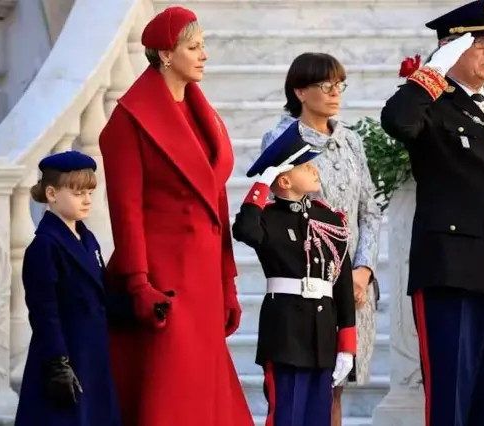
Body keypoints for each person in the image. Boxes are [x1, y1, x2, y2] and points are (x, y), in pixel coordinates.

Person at [380, 1, 484, 425]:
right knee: (451, 399)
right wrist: (433, 72)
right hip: (452, 274)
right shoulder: (429, 104)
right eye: (479, 43)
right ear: (451, 50)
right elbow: (396, 122)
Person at [98, 6, 252, 426]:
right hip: (164, 281)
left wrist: (229, 283)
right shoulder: (127, 122)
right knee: (172, 396)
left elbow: (216, 207)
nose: (203, 55)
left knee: (207, 397)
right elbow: (125, 212)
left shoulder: (206, 117)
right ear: (165, 54)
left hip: (203, 279)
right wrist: (138, 284)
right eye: (194, 47)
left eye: (203, 46)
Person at [261, 52, 381, 426]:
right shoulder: (281, 138)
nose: (335, 93)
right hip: (307, 289)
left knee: (336, 386)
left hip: (354, 287)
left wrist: (362, 271)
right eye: (325, 85)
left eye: (339, 85)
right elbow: (274, 209)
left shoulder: (351, 140)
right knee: (304, 390)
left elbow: (370, 211)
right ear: (300, 91)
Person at [233, 121, 357, 426]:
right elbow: (245, 230)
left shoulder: (328, 217)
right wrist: (263, 184)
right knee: (286, 415)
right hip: (285, 334)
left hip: (323, 333)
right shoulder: (266, 219)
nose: (314, 171)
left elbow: (341, 281)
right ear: (284, 181)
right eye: (305, 166)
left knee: (319, 417)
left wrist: (347, 345)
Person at [15, 151, 120, 426]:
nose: (87, 200)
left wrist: (139, 305)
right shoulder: (44, 246)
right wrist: (57, 364)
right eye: (77, 192)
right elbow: (44, 312)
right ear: (51, 193)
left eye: (89, 192)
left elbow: (101, 294)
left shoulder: (88, 240)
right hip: (65, 360)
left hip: (93, 355)